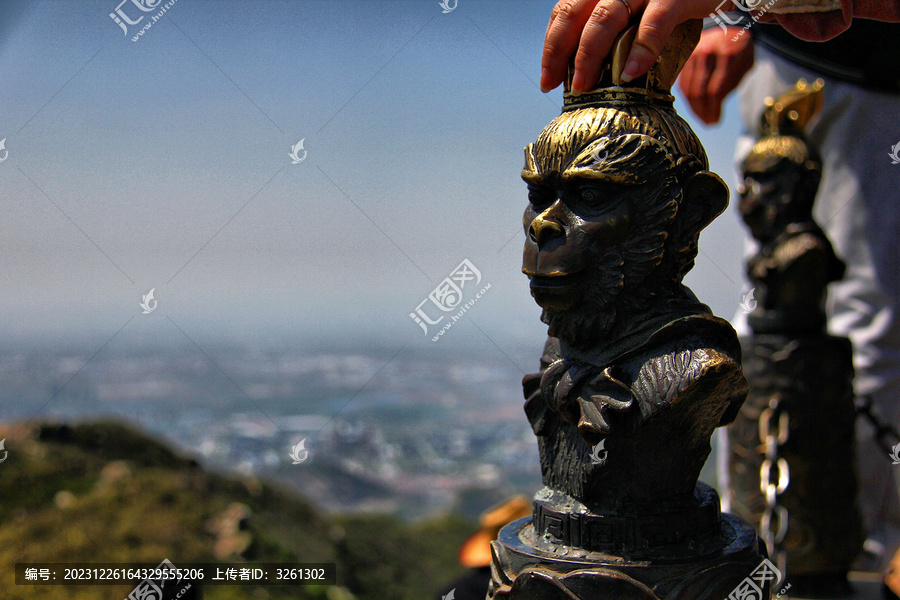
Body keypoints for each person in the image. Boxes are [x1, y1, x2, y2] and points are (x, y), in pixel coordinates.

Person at [539, 0, 900, 591]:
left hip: (874, 73)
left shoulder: (698, 366)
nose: (545, 226)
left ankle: (834, 561)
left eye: (593, 197)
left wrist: (737, 11)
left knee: (867, 325)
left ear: (688, 215)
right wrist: (736, 15)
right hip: (801, 47)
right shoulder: (566, 358)